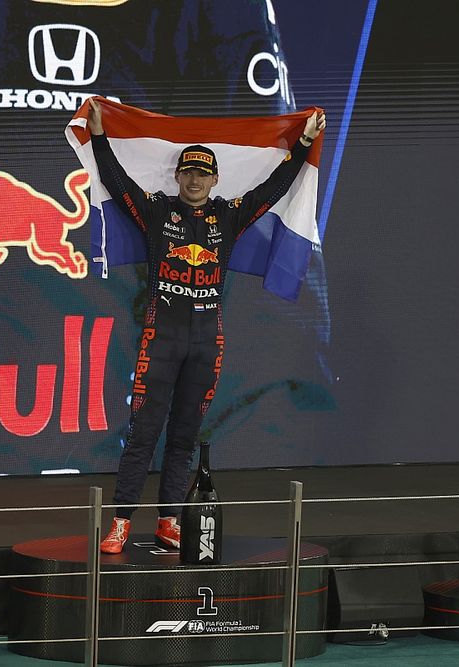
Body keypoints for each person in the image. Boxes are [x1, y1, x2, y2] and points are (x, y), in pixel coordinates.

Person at [86, 98, 326, 553]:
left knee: (184, 436)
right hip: (162, 338)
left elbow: (274, 188)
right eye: (188, 172)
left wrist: (304, 144)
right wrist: (99, 136)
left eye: (203, 173)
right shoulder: (156, 211)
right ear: (177, 176)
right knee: (143, 433)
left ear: (215, 179)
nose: (195, 180)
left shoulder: (228, 215)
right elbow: (116, 183)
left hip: (206, 341)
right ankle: (119, 521)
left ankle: (169, 520)